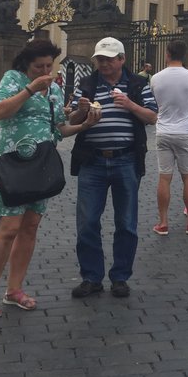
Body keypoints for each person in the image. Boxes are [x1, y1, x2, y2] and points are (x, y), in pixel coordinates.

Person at [0, 40, 101, 318]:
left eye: (49, 66)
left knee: (30, 227)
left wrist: (83, 124)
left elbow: (57, 130)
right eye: (38, 66)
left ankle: (14, 290)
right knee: (8, 228)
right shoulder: (13, 79)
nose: (45, 70)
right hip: (14, 162)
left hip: (41, 165)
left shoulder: (54, 89)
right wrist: (30, 88)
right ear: (26, 65)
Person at [67, 37, 158, 299]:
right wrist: (81, 112)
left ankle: (120, 277)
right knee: (87, 223)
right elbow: (71, 120)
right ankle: (91, 277)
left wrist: (129, 104)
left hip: (126, 160)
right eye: (100, 59)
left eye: (109, 59)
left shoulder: (137, 84)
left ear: (122, 59)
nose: (104, 63)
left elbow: (152, 117)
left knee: (126, 223)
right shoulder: (87, 84)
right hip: (92, 161)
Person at [150, 40, 188, 236]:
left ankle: (162, 223)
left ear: (167, 54)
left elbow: (156, 103)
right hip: (184, 131)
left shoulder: (155, 78)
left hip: (163, 131)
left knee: (164, 177)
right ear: (184, 56)